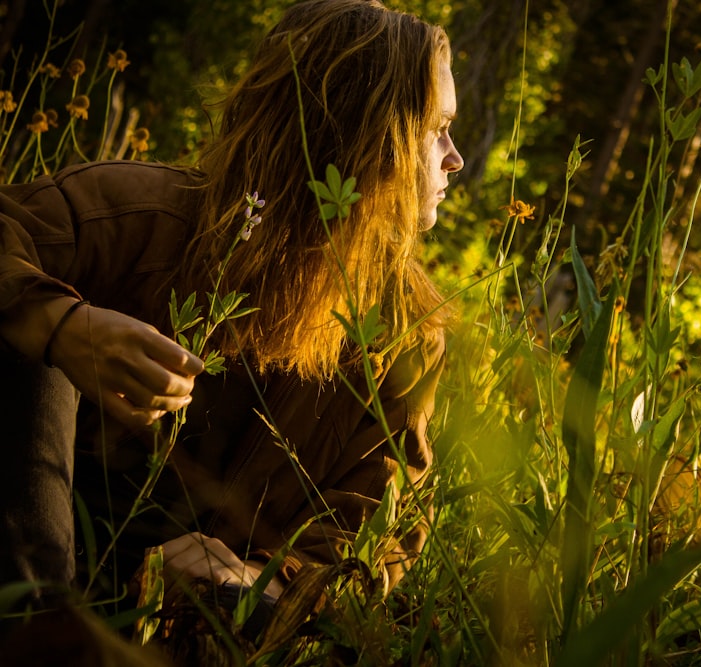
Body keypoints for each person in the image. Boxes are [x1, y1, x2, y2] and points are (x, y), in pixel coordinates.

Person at [0, 0, 463, 620]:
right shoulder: (139, 213)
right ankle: (42, 629)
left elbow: (373, 545)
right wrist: (59, 327)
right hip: (30, 570)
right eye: (437, 128)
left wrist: (262, 579)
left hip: (191, 626)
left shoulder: (404, 333)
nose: (454, 158)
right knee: (25, 332)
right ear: (364, 132)